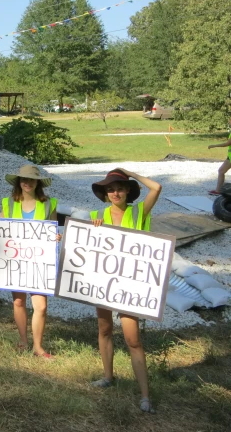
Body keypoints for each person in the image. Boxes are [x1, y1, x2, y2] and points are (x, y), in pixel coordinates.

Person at [89, 168, 162, 414]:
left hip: (130, 286)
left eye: (120, 187)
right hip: (103, 284)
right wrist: (93, 229)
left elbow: (157, 188)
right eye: (110, 189)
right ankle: (108, 377)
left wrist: (131, 173)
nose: (115, 192)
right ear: (105, 193)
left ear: (128, 190)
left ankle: (145, 395)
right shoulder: (97, 215)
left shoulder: (139, 211)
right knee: (105, 329)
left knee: (133, 340)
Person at [2, 165, 58, 359]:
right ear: (18, 182)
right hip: (16, 259)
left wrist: (55, 237)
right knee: (18, 301)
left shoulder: (49, 203)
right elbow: (0, 230)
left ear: (38, 183)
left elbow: (53, 229)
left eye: (31, 179)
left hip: (39, 261)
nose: (27, 182)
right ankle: (23, 341)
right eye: (23, 179)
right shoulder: (8, 203)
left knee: (40, 305)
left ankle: (38, 347)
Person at [207, 117, 231, 195]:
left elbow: (227, 144)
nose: (229, 121)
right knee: (221, 171)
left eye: (230, 120)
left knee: (221, 171)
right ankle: (218, 191)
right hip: (230, 157)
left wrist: (214, 145)